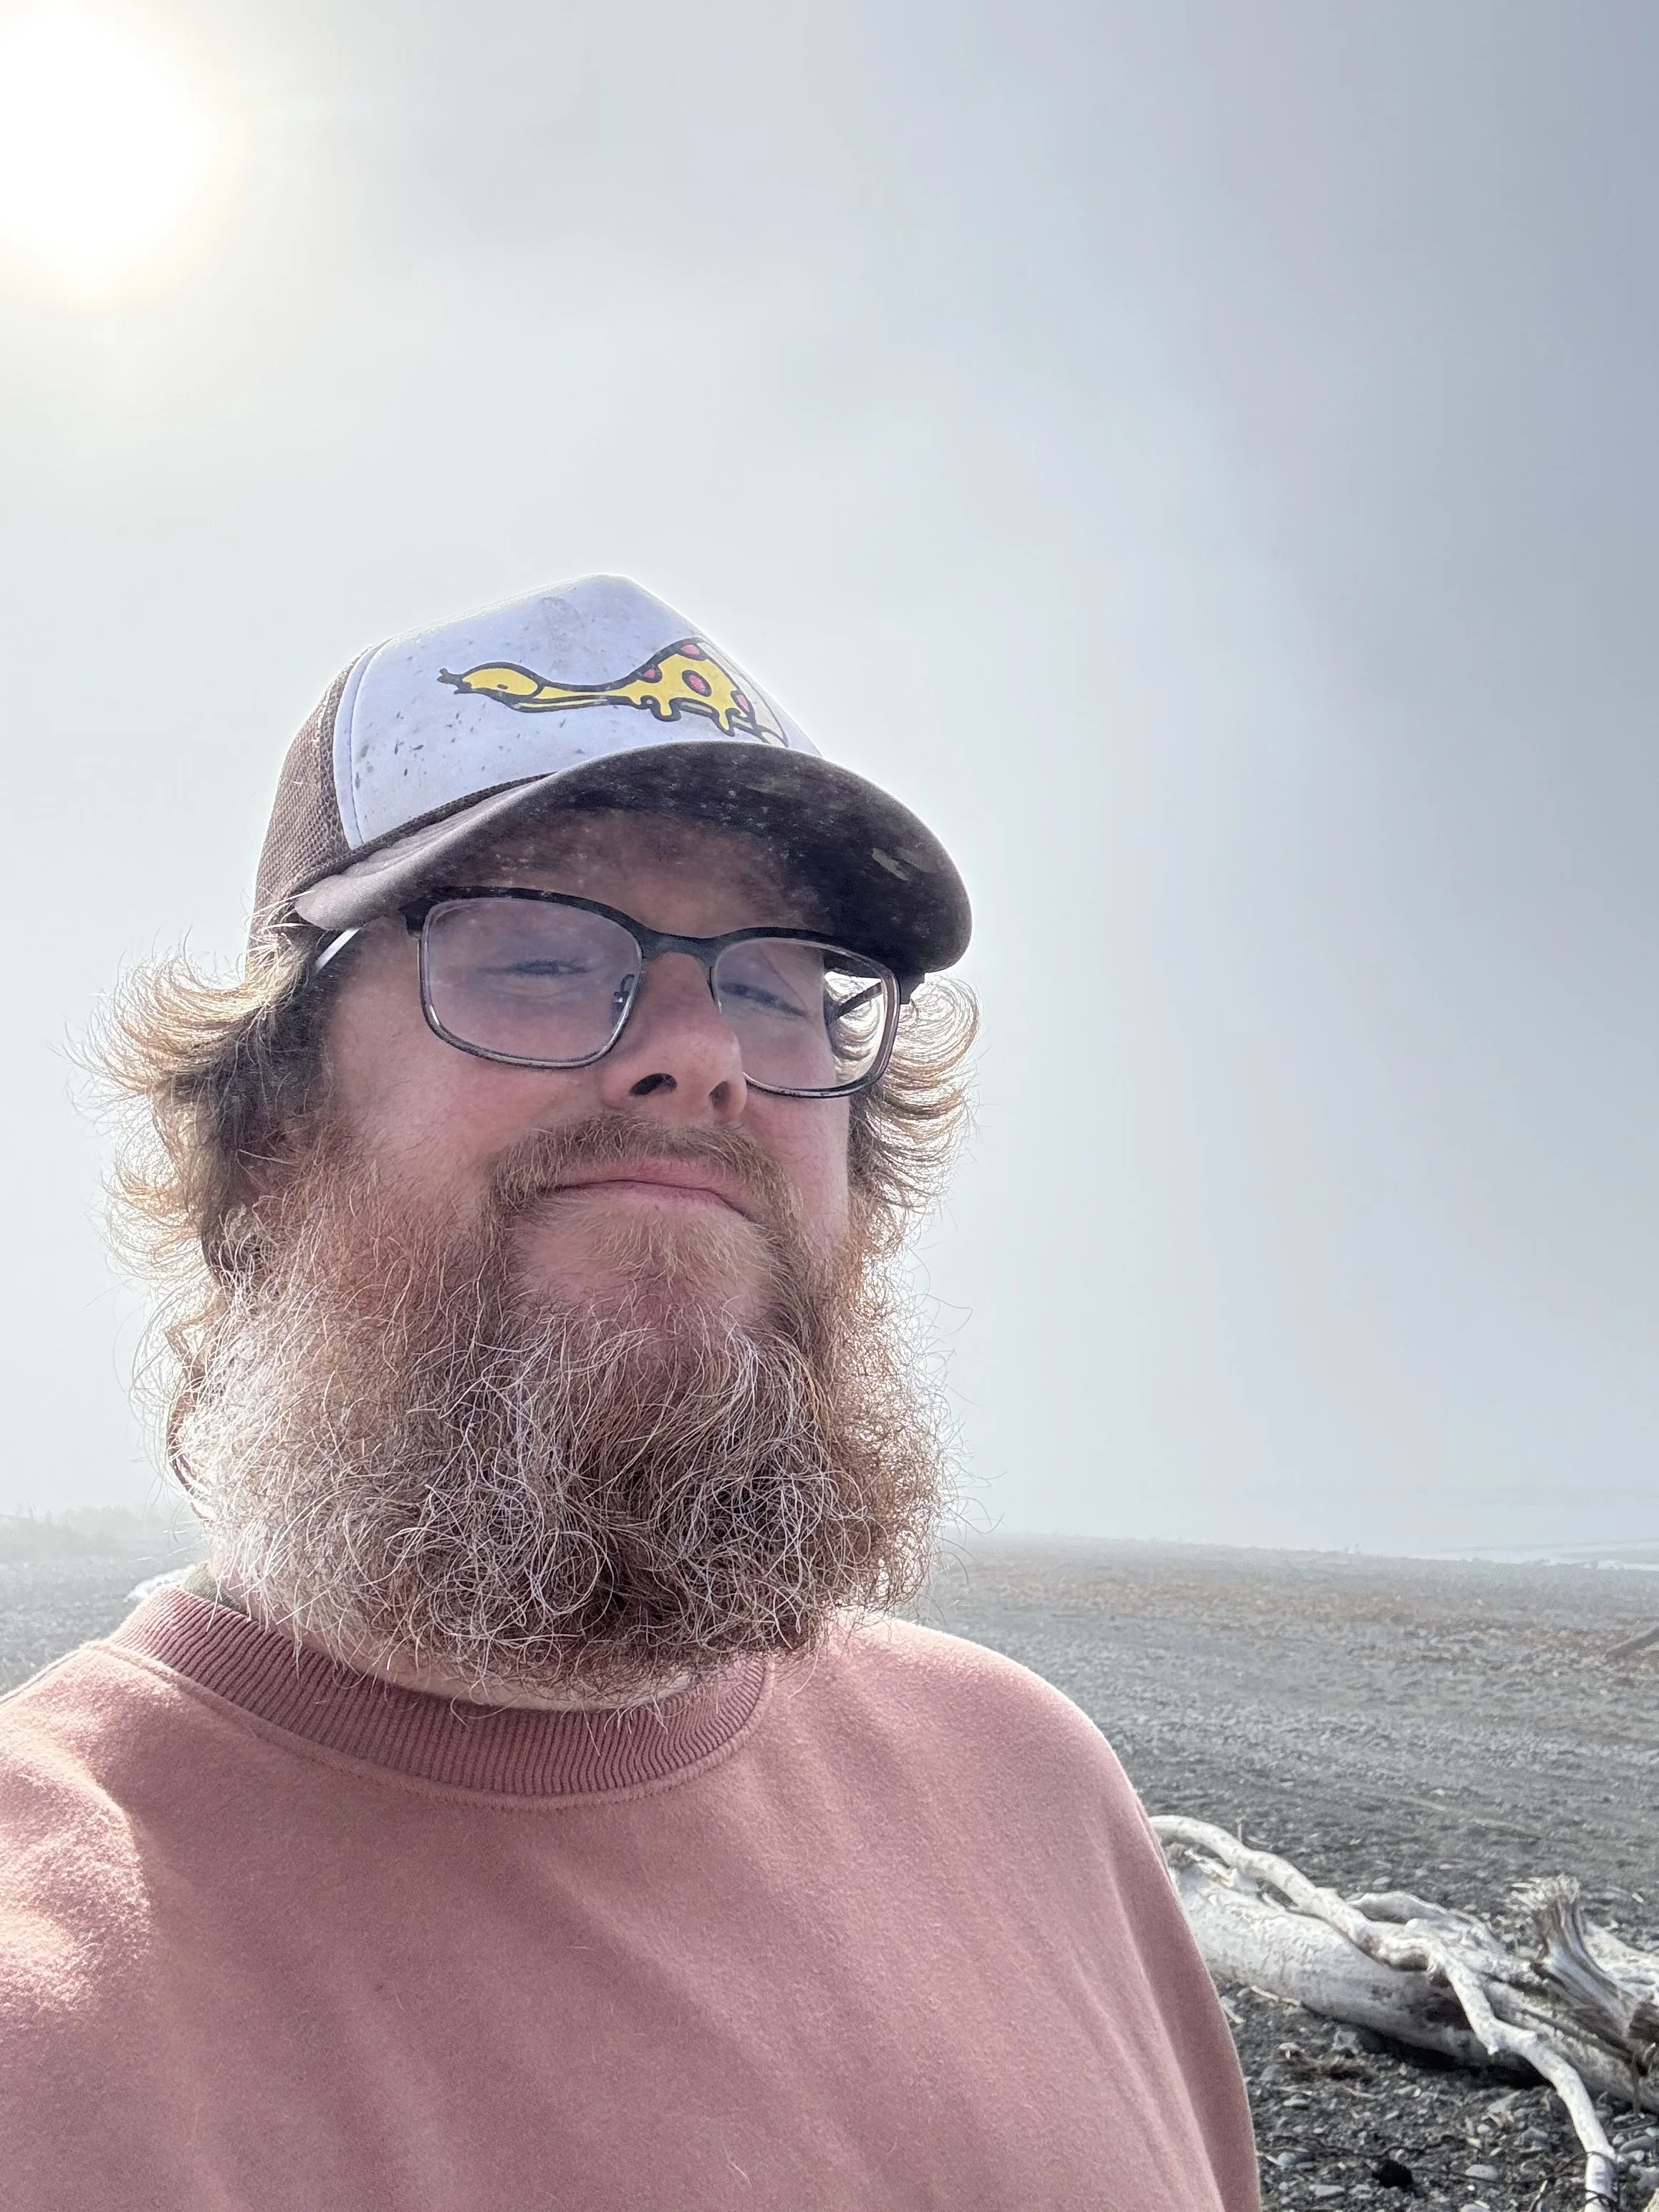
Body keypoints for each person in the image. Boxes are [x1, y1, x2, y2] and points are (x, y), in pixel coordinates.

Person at [0, 576, 1258, 2209]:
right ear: (263, 1146)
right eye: (534, 946)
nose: (700, 1049)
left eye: (778, 979)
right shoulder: (51, 1989)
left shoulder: (1037, 1793)